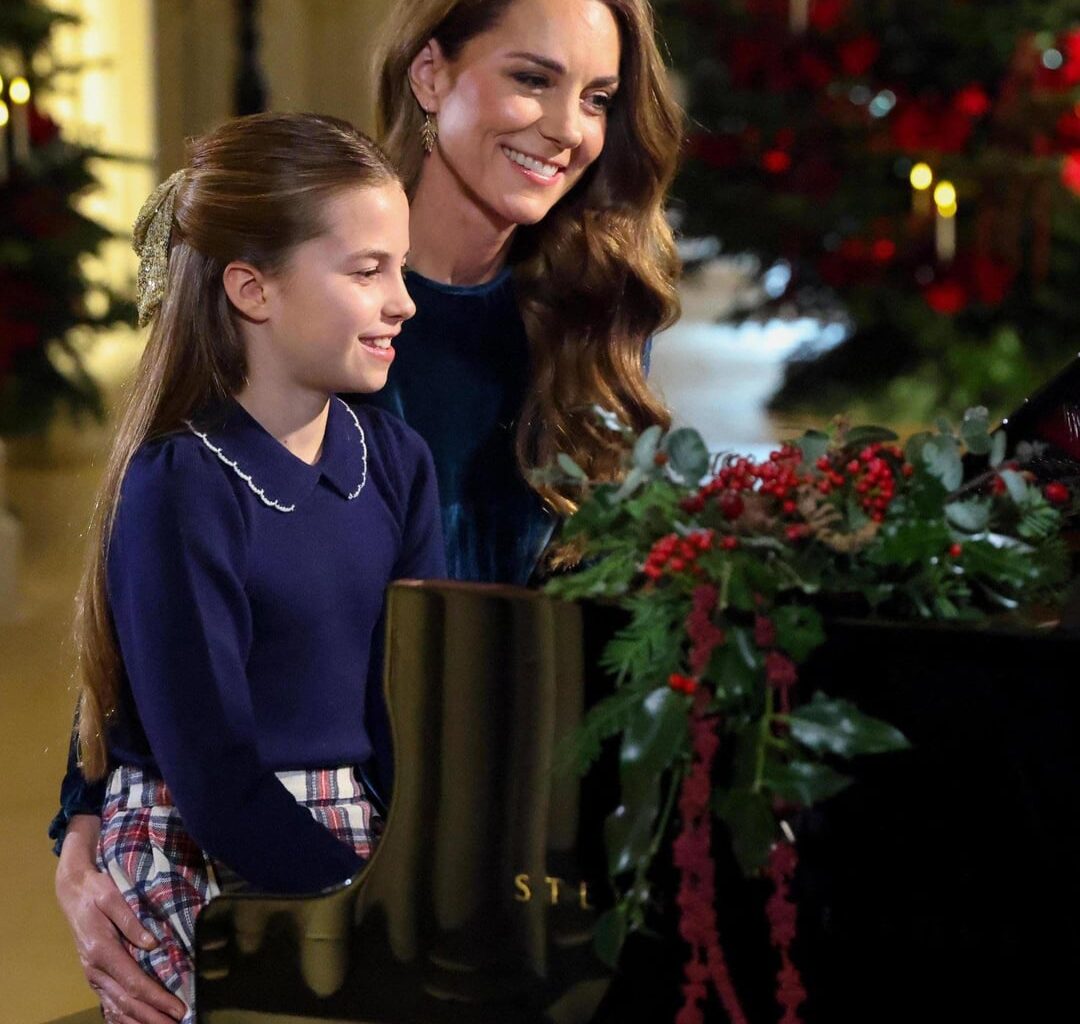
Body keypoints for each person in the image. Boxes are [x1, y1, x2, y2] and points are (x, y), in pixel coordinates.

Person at [52, 1, 683, 1019]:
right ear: (429, 74)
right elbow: (179, 604)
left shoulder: (597, 317)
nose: (569, 126)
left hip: (501, 796)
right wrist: (88, 819)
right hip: (316, 819)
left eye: (599, 96)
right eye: (532, 77)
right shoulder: (302, 302)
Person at [64, 112, 444, 1023]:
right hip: (210, 849)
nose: (405, 301)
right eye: (367, 272)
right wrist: (363, 909)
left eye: (400, 267)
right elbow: (212, 771)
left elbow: (414, 702)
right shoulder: (180, 485)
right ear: (252, 288)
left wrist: (422, 875)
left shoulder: (396, 461)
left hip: (358, 838)